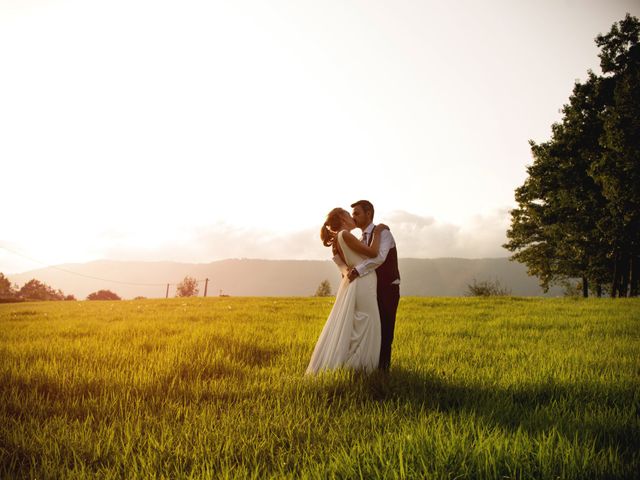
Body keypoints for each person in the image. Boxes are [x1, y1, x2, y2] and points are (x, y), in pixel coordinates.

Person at [306, 208, 388, 374]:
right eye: (349, 214)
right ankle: (361, 367)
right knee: (368, 322)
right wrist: (378, 231)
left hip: (352, 283)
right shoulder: (344, 235)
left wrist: (352, 270)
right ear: (342, 217)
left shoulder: (335, 243)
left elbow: (344, 270)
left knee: (358, 323)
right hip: (363, 281)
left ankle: (354, 366)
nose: (352, 217)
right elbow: (373, 253)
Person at [347, 200, 400, 371]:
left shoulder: (383, 234)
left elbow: (379, 258)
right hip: (370, 289)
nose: (353, 217)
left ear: (368, 213)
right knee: (370, 327)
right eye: (352, 214)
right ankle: (367, 365)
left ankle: (383, 370)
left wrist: (357, 271)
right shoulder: (361, 238)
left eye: (357, 213)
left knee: (385, 328)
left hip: (388, 288)